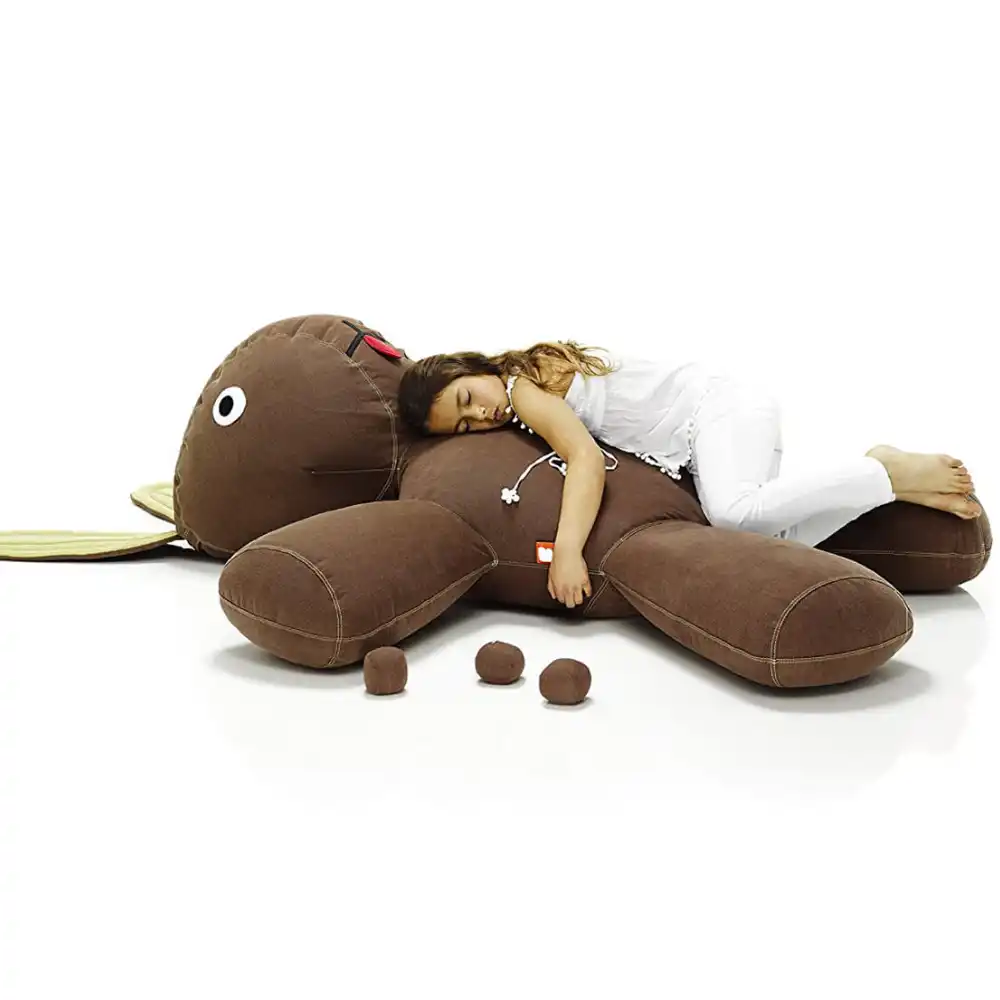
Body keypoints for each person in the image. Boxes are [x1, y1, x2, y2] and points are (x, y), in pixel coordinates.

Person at [397, 341, 979, 609]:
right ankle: (878, 481)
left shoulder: (523, 388)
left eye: (468, 398)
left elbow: (585, 459)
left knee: (732, 514)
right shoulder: (523, 385)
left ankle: (880, 471)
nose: (481, 416)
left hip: (718, 411)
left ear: (472, 367)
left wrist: (568, 552)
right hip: (713, 429)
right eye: (464, 426)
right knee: (766, 540)